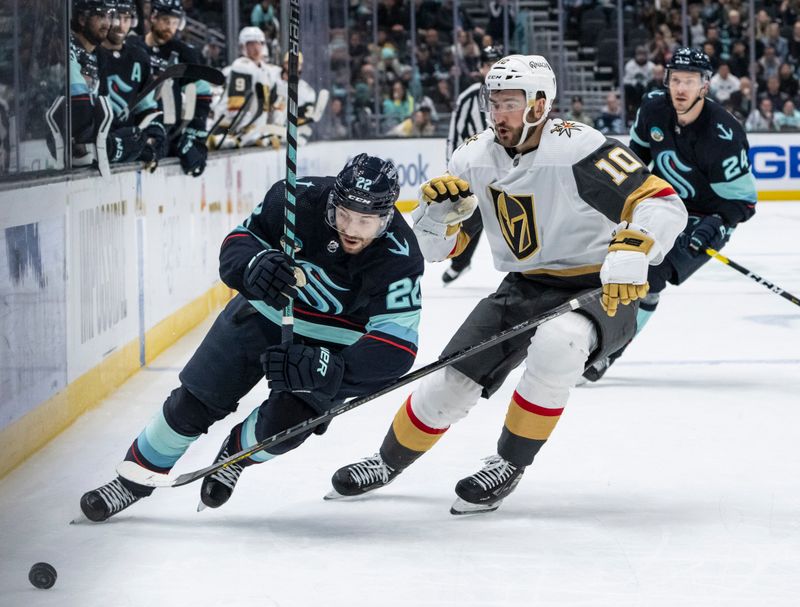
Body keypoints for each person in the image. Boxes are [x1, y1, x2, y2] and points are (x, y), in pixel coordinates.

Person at [326, 54, 686, 515]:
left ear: (539, 105)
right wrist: (437, 221)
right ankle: (386, 460)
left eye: (510, 103)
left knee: (561, 343)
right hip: (523, 286)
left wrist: (638, 247)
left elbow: (662, 202)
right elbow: (436, 250)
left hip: (598, 287)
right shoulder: (473, 157)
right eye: (493, 102)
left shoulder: (578, 147)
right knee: (451, 380)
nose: (498, 114)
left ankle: (509, 462)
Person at [79, 154, 425, 522]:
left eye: (365, 222)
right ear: (332, 202)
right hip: (263, 313)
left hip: (334, 343)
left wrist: (330, 370)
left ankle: (235, 454)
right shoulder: (293, 198)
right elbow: (238, 241)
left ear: (386, 219)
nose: (352, 229)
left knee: (284, 428)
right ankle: (132, 479)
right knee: (195, 400)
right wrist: (252, 264)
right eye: (343, 216)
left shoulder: (399, 255)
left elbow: (397, 347)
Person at [584, 48, 757, 382]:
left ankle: (608, 352)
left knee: (650, 278)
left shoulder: (724, 134)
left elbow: (743, 203)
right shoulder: (653, 108)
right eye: (675, 80)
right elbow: (636, 162)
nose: (680, 88)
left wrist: (714, 226)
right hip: (661, 204)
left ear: (705, 86)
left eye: (689, 82)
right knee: (611, 259)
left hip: (708, 215)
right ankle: (585, 334)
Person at [441, 45, 503, 285]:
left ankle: (530, 268)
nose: (494, 69)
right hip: (478, 174)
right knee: (472, 217)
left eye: (499, 63)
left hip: (511, 172)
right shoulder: (468, 98)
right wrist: (451, 173)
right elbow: (454, 136)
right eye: (490, 65)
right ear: (480, 68)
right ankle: (460, 262)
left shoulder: (519, 95)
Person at [128, 0, 212, 177]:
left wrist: (195, 132)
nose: (170, 27)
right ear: (153, 18)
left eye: (175, 22)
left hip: (165, 131)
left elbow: (202, 89)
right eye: (166, 20)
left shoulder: (183, 52)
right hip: (135, 124)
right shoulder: (133, 46)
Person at [97, 0, 167, 169]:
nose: (121, 25)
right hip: (100, 146)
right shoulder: (92, 55)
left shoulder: (139, 57)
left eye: (126, 18)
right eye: (116, 18)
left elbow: (146, 106)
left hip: (128, 145)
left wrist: (152, 134)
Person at [208, 26, 276, 150]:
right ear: (243, 47)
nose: (256, 48)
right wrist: (242, 131)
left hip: (251, 131)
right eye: (251, 44)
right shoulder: (242, 66)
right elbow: (236, 105)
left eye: (259, 43)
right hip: (230, 128)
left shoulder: (265, 70)